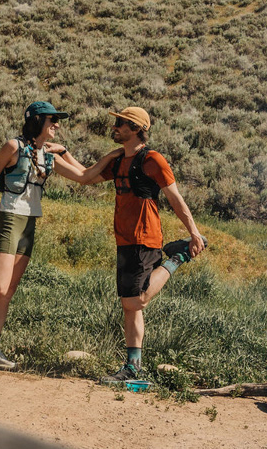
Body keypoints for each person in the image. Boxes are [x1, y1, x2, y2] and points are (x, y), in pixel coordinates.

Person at [0, 101, 120, 370]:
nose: (56, 124)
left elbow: (85, 176)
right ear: (36, 122)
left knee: (7, 293)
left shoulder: (50, 156)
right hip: (9, 218)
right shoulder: (13, 147)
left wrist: (111, 156)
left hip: (30, 223)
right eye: (51, 120)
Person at [77, 106, 207, 384]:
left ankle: (178, 257)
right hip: (124, 240)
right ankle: (133, 367)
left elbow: (175, 198)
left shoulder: (153, 160)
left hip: (144, 237)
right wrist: (61, 154)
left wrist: (193, 232)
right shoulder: (119, 161)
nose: (116, 126)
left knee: (138, 300)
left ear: (136, 128)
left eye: (122, 123)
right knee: (129, 304)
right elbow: (84, 177)